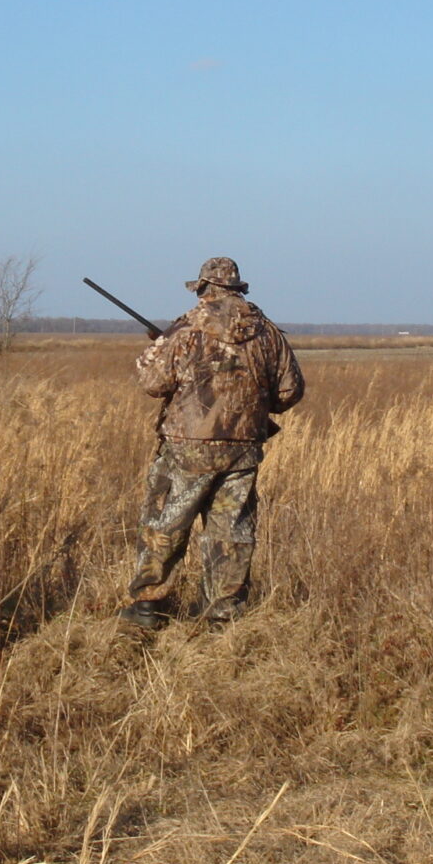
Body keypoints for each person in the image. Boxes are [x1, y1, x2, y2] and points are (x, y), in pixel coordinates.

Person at [119, 258, 304, 630]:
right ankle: (221, 614)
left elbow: (153, 384)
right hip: (243, 448)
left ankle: (149, 609)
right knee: (231, 531)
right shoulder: (267, 332)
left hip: (188, 447)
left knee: (167, 523)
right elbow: (289, 390)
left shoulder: (185, 329)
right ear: (238, 290)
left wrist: (156, 349)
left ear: (204, 287)